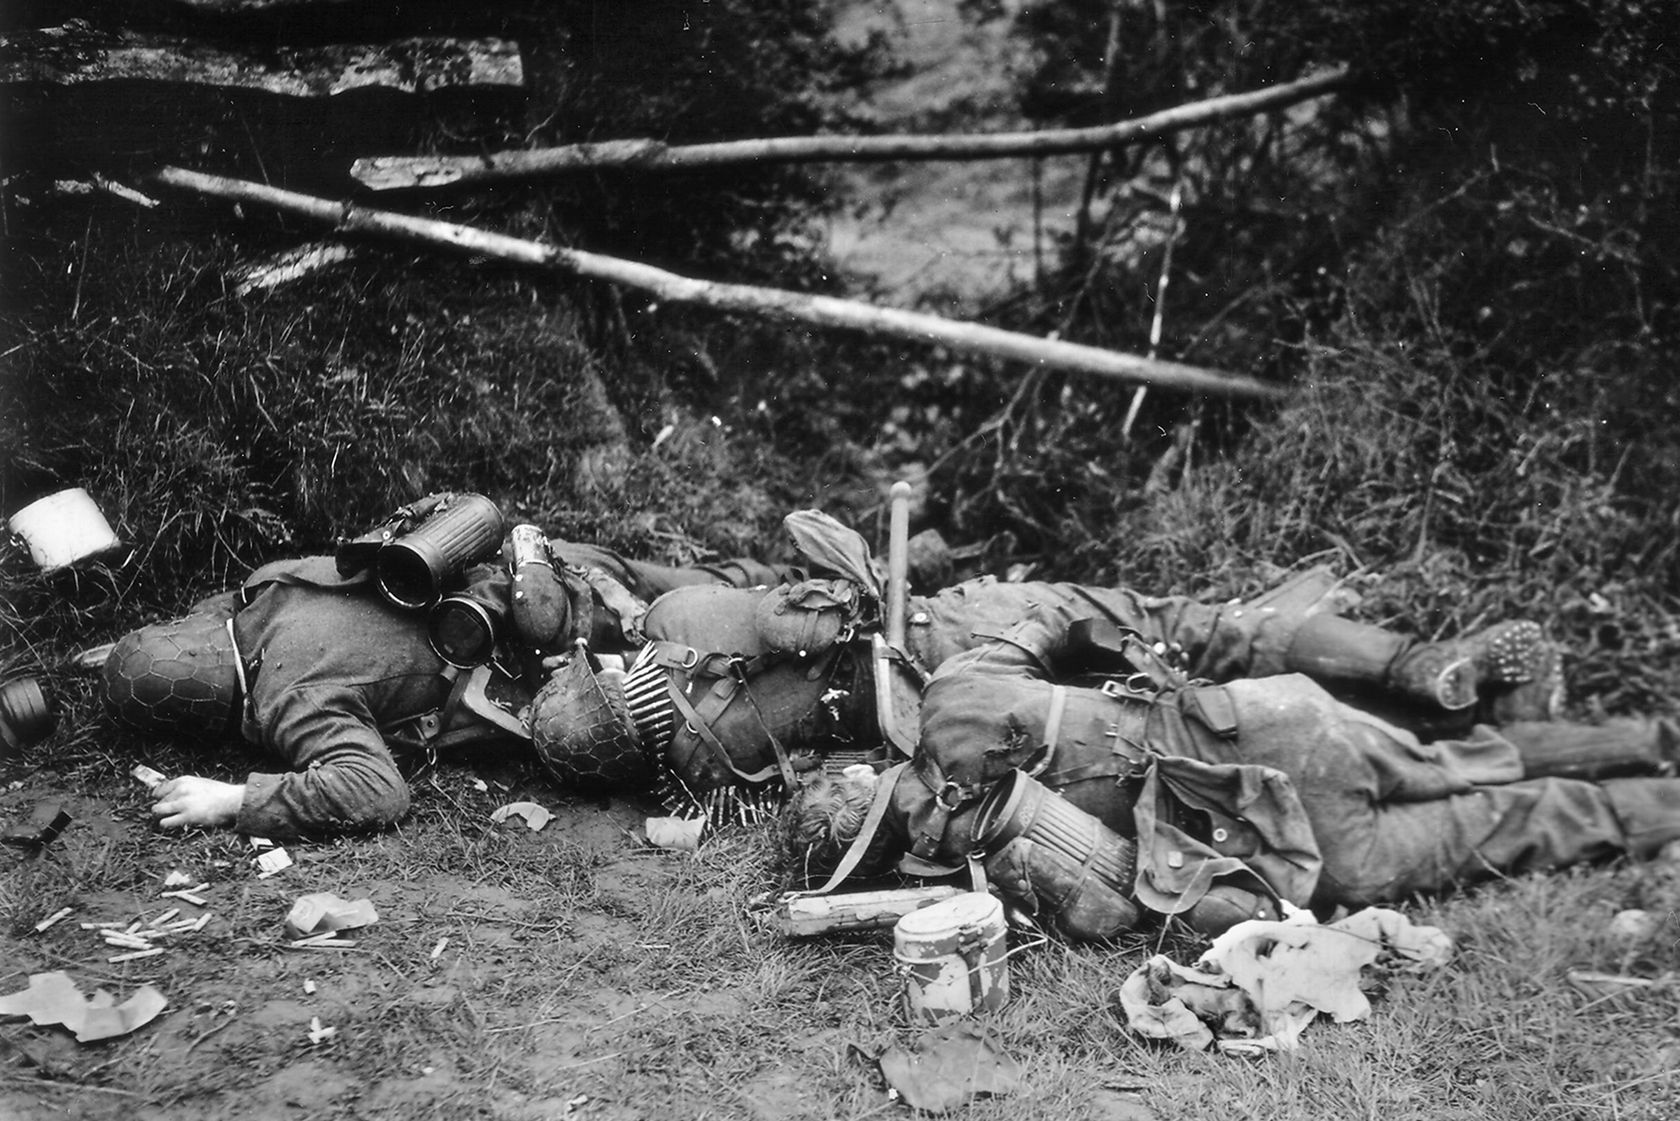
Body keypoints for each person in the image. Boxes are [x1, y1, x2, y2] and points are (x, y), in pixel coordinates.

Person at [776, 597, 1680, 939]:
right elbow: (1054, 617)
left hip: (1290, 830)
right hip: (1278, 715)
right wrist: (1104, 666)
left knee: (1512, 825)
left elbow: (1130, 888)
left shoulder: (984, 841)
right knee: (1460, 756)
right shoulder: (955, 695)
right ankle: (1650, 736)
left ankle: (1663, 797)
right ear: (865, 776)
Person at [100, 492, 801, 840]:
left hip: (563, 655)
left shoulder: (291, 701)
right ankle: (819, 573)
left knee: (733, 636)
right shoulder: (266, 587)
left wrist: (233, 800)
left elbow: (375, 793)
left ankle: (829, 589)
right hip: (544, 579)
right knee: (723, 590)